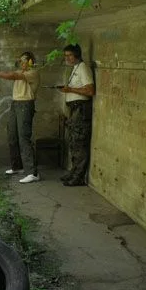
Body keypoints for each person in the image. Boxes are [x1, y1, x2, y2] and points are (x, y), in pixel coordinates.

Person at [0, 52, 41, 183]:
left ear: (31, 62)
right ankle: (18, 167)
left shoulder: (33, 72)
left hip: (25, 104)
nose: (22, 63)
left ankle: (33, 173)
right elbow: (11, 74)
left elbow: (13, 76)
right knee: (12, 136)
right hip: (15, 104)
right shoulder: (19, 71)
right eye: (20, 60)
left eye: (24, 60)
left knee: (24, 137)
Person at [59, 44, 95, 186]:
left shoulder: (83, 68)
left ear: (77, 55)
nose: (67, 58)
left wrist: (70, 90)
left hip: (81, 108)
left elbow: (90, 91)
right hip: (74, 109)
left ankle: (78, 176)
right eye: (65, 56)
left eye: (69, 55)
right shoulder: (76, 68)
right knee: (74, 142)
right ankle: (73, 172)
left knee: (79, 143)